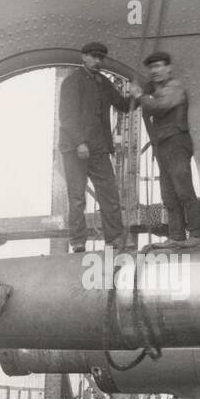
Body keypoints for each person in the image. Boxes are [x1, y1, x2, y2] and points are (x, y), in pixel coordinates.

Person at [57, 42, 137, 253]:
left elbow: (120, 104)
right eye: (93, 56)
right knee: (77, 196)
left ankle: (114, 239)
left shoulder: (103, 82)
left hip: (99, 147)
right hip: (75, 148)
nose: (98, 61)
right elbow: (67, 116)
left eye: (101, 57)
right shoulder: (71, 82)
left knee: (109, 193)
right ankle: (78, 241)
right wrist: (80, 142)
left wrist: (135, 97)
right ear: (83, 57)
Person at [135, 51, 200, 250]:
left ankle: (197, 234)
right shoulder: (154, 90)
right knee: (168, 193)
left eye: (159, 66)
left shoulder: (175, 87)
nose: (155, 71)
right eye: (152, 68)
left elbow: (160, 106)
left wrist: (140, 95)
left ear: (169, 68)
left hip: (176, 142)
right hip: (162, 144)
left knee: (183, 188)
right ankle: (175, 235)